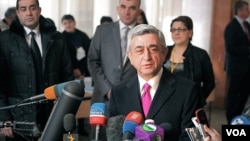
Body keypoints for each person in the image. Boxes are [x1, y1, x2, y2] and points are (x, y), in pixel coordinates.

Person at [109, 24, 201, 141]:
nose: (147, 57)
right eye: (139, 50)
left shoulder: (187, 90)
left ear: (164, 53)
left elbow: (190, 138)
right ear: (130, 57)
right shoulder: (118, 92)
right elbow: (113, 136)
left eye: (153, 49)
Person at [0, 0, 74, 140]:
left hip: (52, 117)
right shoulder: (4, 41)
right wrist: (4, 118)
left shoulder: (57, 39)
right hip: (18, 120)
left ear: (39, 10)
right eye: (23, 9)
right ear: (17, 13)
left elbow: (67, 78)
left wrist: (64, 111)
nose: (28, 13)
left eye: (32, 8)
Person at [87, 0, 141, 139]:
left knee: (128, 136)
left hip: (133, 99)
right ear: (117, 8)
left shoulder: (145, 33)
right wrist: (107, 89)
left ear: (138, 11)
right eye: (123, 7)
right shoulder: (102, 30)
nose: (127, 11)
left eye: (132, 8)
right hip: (103, 99)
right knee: (99, 137)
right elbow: (93, 61)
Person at [164, 15, 215, 107]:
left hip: (188, 104)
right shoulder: (164, 51)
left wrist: (198, 100)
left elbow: (210, 83)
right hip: (164, 100)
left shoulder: (200, 54)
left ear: (190, 33)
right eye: (173, 30)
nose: (176, 33)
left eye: (180, 29)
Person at [61, 14, 91, 136]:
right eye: (65, 23)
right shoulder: (61, 37)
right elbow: (63, 58)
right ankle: (69, 128)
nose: (68, 25)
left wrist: (81, 70)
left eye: (70, 22)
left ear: (74, 23)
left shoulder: (82, 36)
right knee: (69, 101)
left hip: (82, 73)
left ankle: (82, 126)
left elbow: (89, 54)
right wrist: (72, 69)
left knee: (82, 99)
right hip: (67, 73)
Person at [224, 0, 250, 124]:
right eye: (246, 9)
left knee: (244, 96)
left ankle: (241, 120)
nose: (248, 11)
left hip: (247, 68)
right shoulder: (231, 27)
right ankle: (231, 121)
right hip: (236, 68)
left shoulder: (247, 25)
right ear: (239, 10)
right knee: (233, 96)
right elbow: (230, 47)